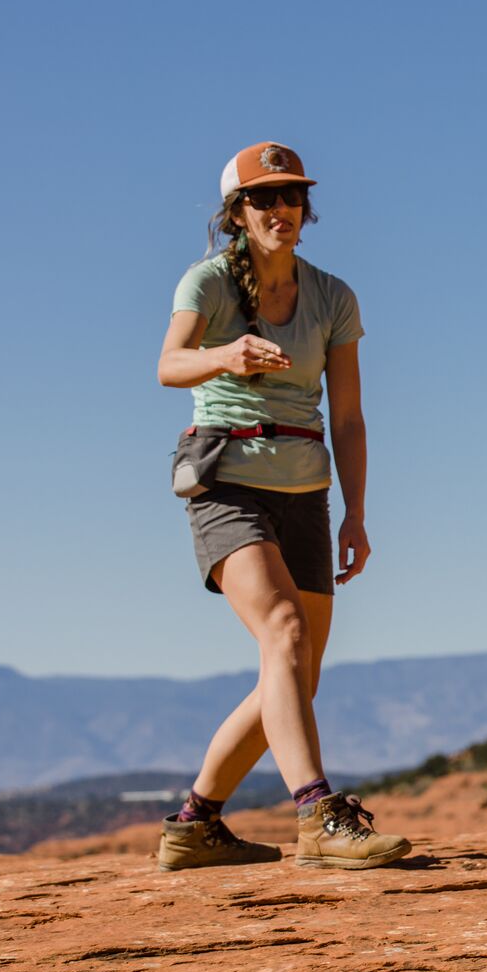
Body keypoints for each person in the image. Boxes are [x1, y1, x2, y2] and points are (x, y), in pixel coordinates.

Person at [155, 141, 409, 870]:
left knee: (293, 674)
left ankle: (193, 823)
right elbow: (168, 364)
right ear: (236, 212)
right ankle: (318, 815)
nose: (281, 210)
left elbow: (350, 417)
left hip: (307, 490)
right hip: (224, 480)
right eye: (265, 198)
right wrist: (225, 354)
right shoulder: (207, 284)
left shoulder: (332, 297)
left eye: (292, 196)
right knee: (284, 629)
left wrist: (355, 513)